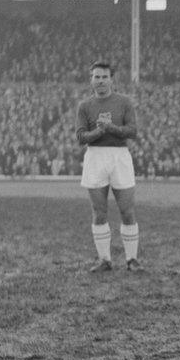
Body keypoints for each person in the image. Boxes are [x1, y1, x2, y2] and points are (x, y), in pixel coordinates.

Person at [75, 61, 141, 272]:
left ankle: (132, 260)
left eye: (104, 77)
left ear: (111, 79)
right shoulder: (85, 106)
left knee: (127, 211)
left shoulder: (124, 102)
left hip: (119, 156)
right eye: (96, 77)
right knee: (99, 211)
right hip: (95, 157)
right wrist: (98, 132)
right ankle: (105, 260)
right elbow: (80, 136)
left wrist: (111, 128)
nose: (100, 81)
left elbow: (132, 131)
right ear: (91, 80)